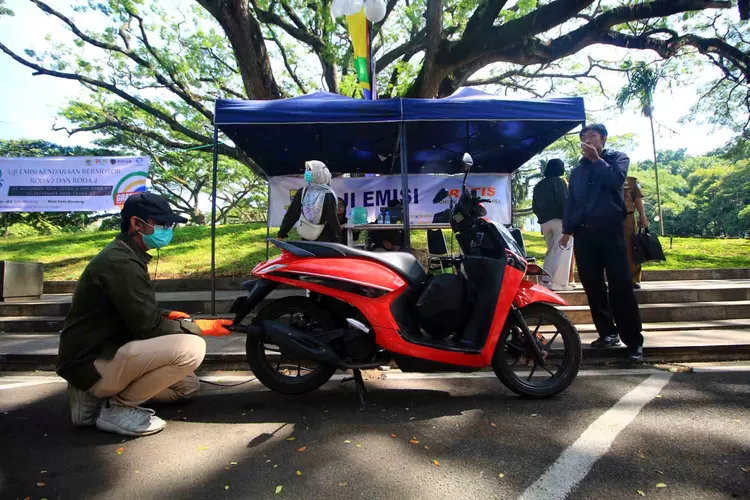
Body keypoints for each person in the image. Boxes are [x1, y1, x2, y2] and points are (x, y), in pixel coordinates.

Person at [57, 192, 232, 437]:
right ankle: (116, 408)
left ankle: (101, 398)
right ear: (137, 224)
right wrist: (199, 327)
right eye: (162, 224)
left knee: (186, 387)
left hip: (114, 347)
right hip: (93, 359)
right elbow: (148, 326)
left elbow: (131, 308)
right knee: (191, 348)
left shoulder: (128, 255)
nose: (167, 230)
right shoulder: (120, 262)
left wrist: (169, 314)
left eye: (169, 224)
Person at [559, 123, 644, 362]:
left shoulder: (618, 159)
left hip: (610, 232)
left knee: (621, 285)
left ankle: (634, 342)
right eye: (584, 136)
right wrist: (567, 230)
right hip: (585, 235)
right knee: (592, 286)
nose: (587, 139)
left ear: (603, 138)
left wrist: (597, 160)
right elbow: (572, 202)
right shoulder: (577, 172)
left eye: (592, 135)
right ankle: (607, 333)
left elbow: (615, 181)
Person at [532, 158, 573, 291]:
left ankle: (546, 280)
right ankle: (559, 283)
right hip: (559, 220)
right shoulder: (559, 182)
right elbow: (563, 201)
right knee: (563, 250)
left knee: (551, 250)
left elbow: (534, 206)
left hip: (544, 222)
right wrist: (569, 221)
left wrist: (541, 218)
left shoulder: (539, 185)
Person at [279, 160, 341, 242]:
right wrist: (281, 234)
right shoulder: (303, 192)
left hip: (325, 238)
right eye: (307, 170)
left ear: (319, 174)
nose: (306, 173)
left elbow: (332, 219)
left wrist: (337, 239)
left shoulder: (328, 194)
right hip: (306, 235)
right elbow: (292, 214)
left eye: (310, 170)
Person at [624, 176, 648, 289]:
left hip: (627, 217)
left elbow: (637, 199)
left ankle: (633, 278)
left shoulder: (631, 181)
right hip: (608, 218)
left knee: (631, 248)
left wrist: (643, 216)